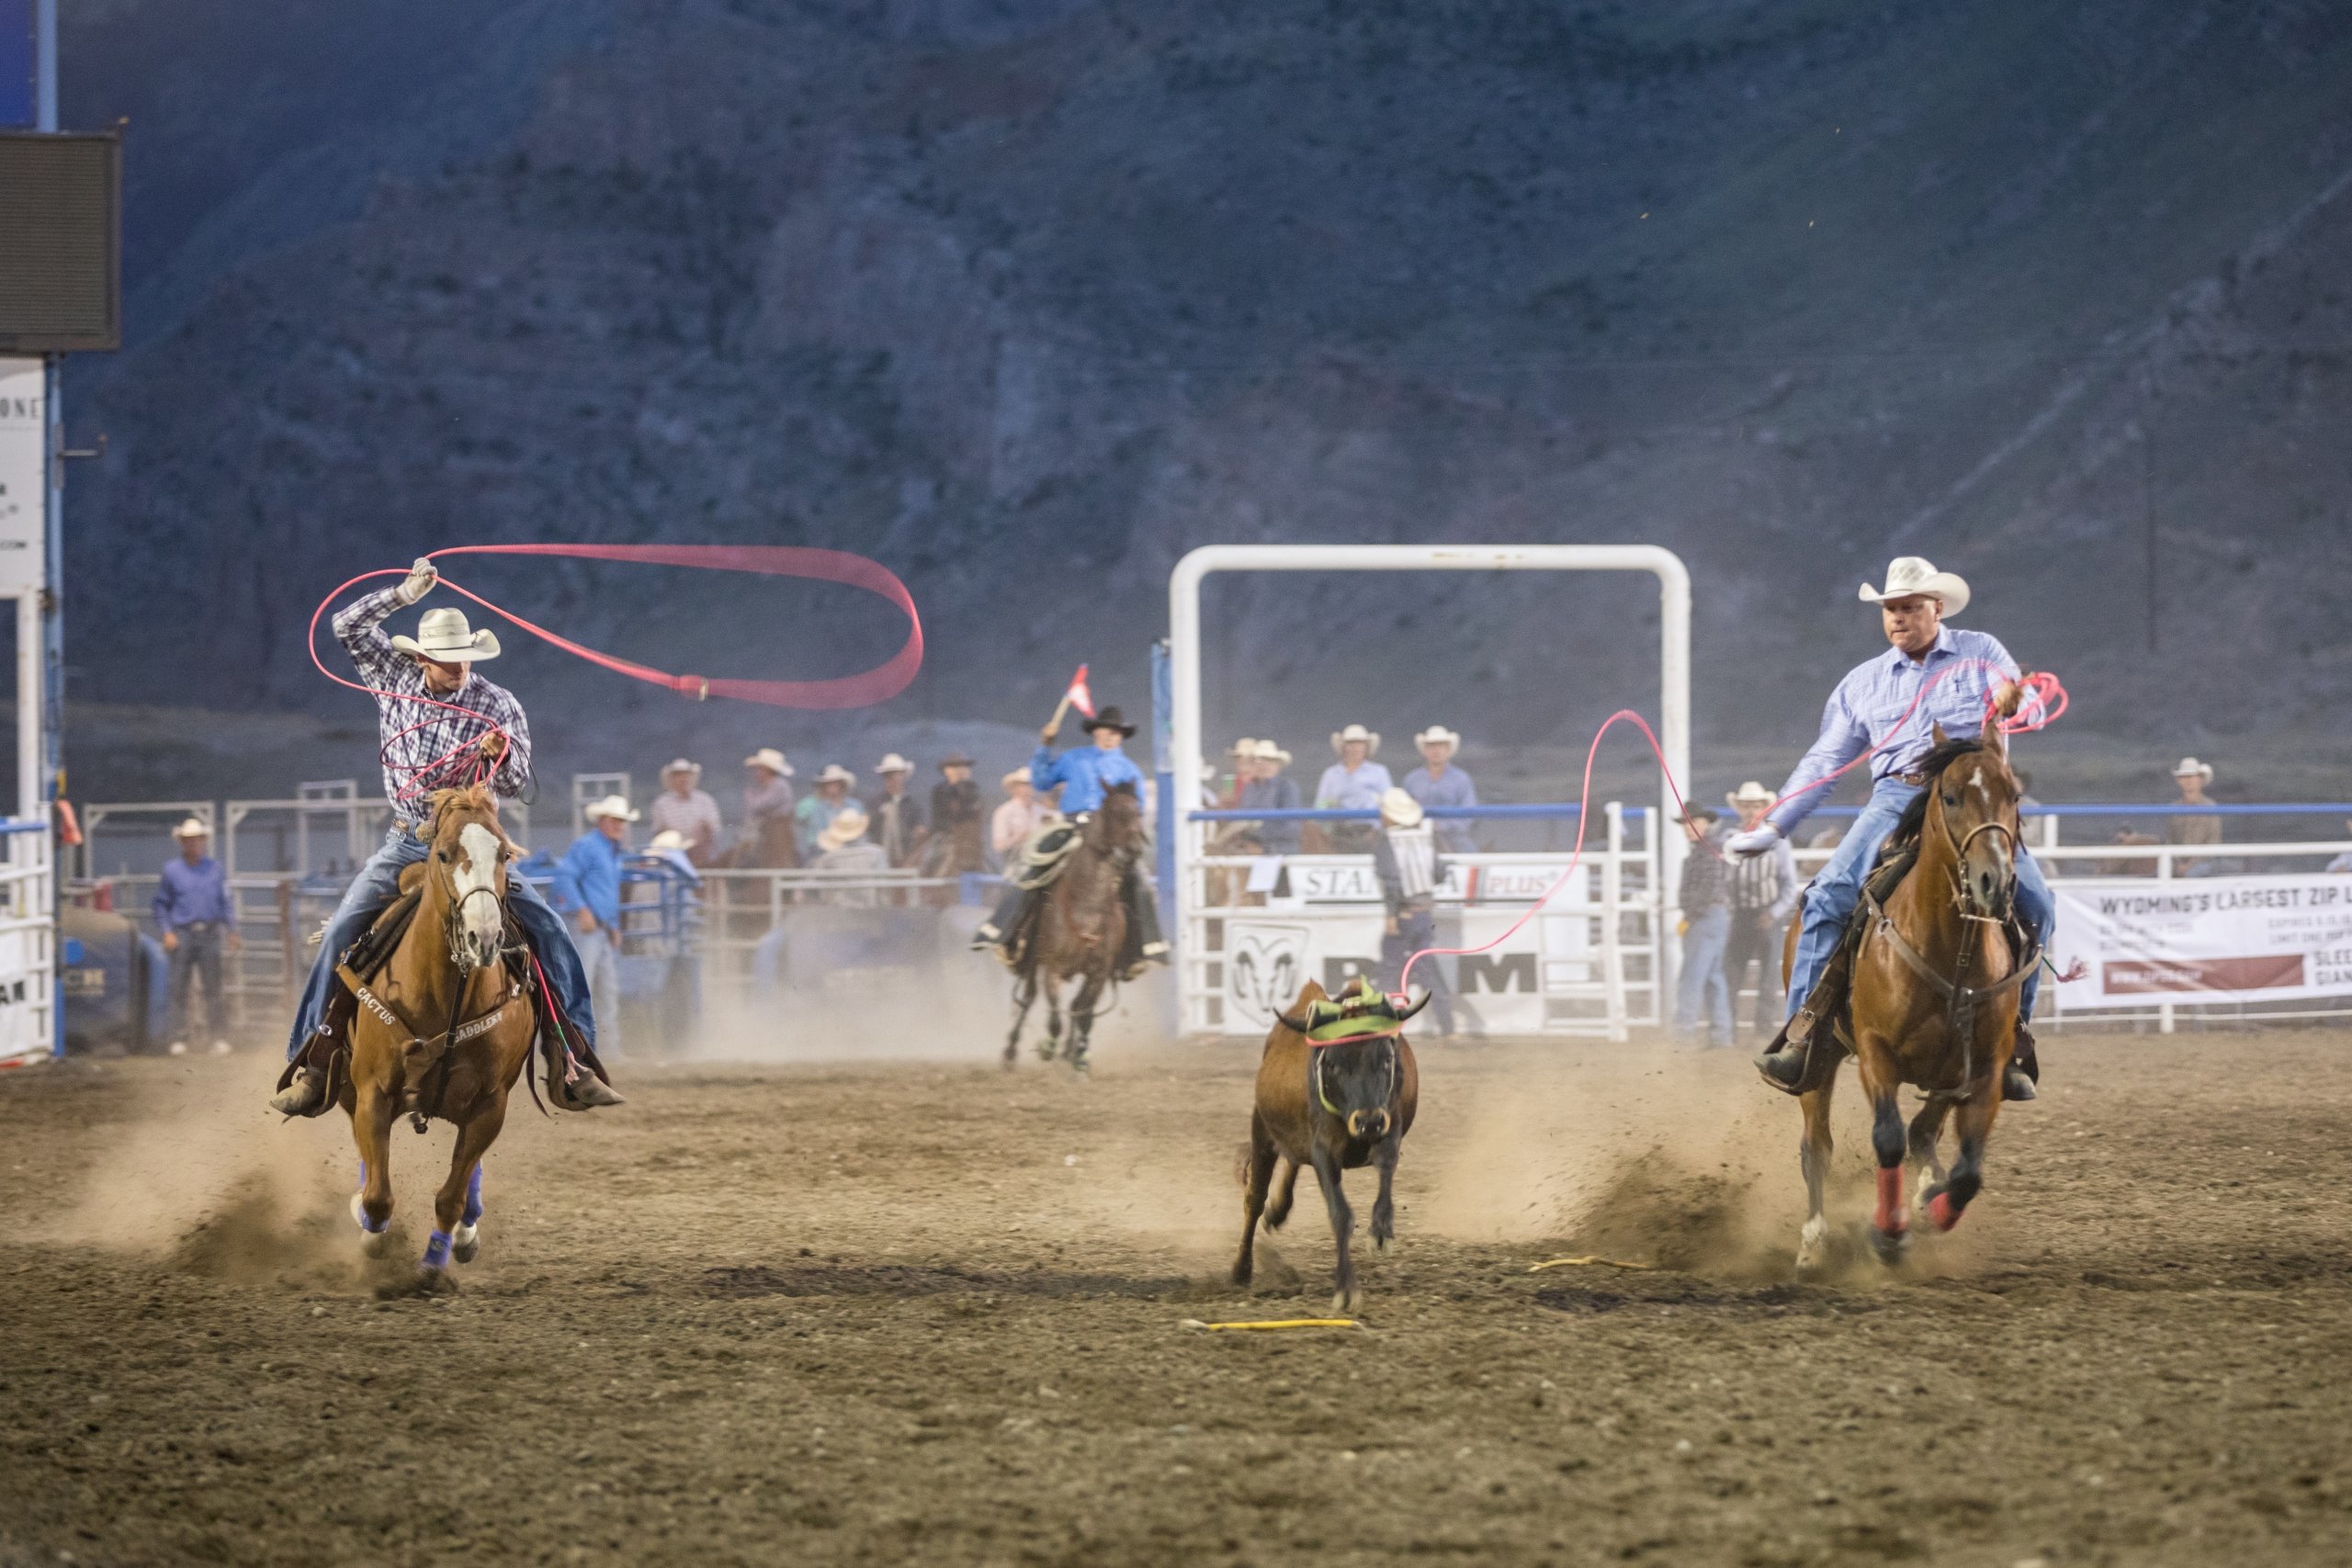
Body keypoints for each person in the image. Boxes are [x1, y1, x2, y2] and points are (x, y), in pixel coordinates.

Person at [271, 558, 618, 1115]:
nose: (457, 665)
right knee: (341, 933)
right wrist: (405, 594)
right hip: (409, 839)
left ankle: (572, 1058)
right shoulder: (393, 679)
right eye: (446, 657)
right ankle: (312, 1060)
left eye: (464, 656)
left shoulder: (498, 704)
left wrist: (498, 755)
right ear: (422, 657)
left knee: (550, 930)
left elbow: (519, 781)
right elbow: (345, 628)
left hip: (475, 845)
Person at [1732, 556, 2050, 1101]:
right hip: (1897, 794)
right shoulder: (1863, 684)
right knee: (1828, 895)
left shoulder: (1982, 652)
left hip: (1969, 796)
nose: (1897, 618)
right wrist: (1775, 826)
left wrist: (2016, 704)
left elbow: (2034, 708)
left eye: (1908, 608)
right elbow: (1824, 761)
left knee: (2037, 902)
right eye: (1890, 609)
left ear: (1936, 608)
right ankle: (1801, 1036)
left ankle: (2012, 1035)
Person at [973, 705, 1168, 976]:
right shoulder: (1074, 759)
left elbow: (1138, 809)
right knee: (1031, 871)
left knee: (1139, 884)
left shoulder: (1129, 771)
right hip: (1071, 827)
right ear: (1095, 732)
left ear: (1121, 736)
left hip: (1110, 836)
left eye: (1114, 732)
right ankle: (1001, 933)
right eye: (1104, 730)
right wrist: (1045, 746)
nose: (1109, 735)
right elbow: (1041, 781)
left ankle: (1144, 948)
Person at [550, 795, 637, 1060]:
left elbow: (604, 892)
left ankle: (607, 1051)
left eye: (622, 821)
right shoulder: (589, 846)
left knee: (607, 991)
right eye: (614, 820)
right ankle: (574, 1051)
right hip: (587, 927)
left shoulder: (610, 850)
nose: (619, 825)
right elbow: (565, 876)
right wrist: (583, 909)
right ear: (601, 821)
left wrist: (612, 925)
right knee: (581, 988)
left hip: (600, 929)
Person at [1373, 787, 1454, 1037]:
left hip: (1403, 912)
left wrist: (1390, 915)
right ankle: (1448, 1027)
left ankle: (1380, 1026)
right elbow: (1440, 872)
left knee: (1390, 967)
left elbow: (1391, 880)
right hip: (1424, 913)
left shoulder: (1387, 840)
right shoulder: (1425, 836)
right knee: (1427, 968)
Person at [1720, 782, 1799, 1040]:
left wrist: (1773, 913)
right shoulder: (1730, 839)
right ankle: (1727, 1030)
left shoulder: (1778, 842)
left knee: (1768, 978)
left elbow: (1789, 884)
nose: (1750, 810)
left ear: (1764, 808)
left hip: (1768, 915)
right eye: (1746, 806)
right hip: (1740, 914)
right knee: (1732, 973)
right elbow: (1723, 878)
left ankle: (1763, 1033)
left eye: (1755, 805)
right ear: (1739, 808)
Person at [154, 817, 238, 1055]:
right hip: (183, 933)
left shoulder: (215, 869)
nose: (194, 844)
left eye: (197, 840)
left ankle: (218, 1037)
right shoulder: (172, 871)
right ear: (182, 842)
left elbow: (225, 902)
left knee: (213, 987)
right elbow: (161, 904)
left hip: (210, 932)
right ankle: (177, 1038)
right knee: (178, 987)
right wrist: (167, 931)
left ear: (204, 841)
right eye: (189, 840)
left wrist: (231, 929)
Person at [1672, 806, 1733, 1046]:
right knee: (1713, 977)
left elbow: (1707, 889)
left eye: (1692, 822)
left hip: (1704, 917)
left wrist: (1690, 914)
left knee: (1692, 977)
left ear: (1705, 823)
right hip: (1714, 916)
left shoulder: (1706, 851)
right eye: (1685, 823)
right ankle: (1721, 1036)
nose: (1688, 828)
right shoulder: (1712, 849)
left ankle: (1683, 1033)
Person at [1402, 726, 1479, 854]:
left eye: (1441, 746)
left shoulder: (1461, 779)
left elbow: (1468, 814)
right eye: (1432, 746)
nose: (1436, 750)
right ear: (1425, 750)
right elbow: (1403, 811)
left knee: (1470, 856)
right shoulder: (1411, 779)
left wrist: (1441, 826)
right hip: (1417, 837)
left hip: (1453, 837)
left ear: (1448, 750)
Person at [1316, 724, 1393, 852]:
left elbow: (1389, 804)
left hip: (1371, 832)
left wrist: (1377, 829)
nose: (1355, 748)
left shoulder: (1379, 772)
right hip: (1339, 833)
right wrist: (1326, 830)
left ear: (1366, 747)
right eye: (1351, 743)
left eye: (1359, 743)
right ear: (1344, 747)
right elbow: (1321, 804)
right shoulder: (1331, 774)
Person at [923, 753, 987, 881]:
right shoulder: (940, 790)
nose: (960, 770)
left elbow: (976, 810)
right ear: (947, 771)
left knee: (984, 859)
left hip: (968, 835)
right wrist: (952, 830)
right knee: (931, 854)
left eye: (963, 767)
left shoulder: (973, 789)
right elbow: (938, 817)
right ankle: (928, 878)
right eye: (955, 767)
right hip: (946, 833)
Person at [650, 759, 724, 867]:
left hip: (702, 856)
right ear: (672, 779)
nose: (683, 779)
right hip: (672, 856)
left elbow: (714, 829)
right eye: (679, 775)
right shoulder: (661, 804)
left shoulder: (705, 800)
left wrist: (702, 831)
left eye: (686, 774)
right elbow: (658, 831)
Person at [812, 806, 888, 905]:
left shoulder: (829, 858)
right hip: (870, 910)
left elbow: (814, 882)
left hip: (837, 911)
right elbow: (884, 883)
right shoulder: (877, 853)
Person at [1239, 739, 1303, 855]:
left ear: (1278, 765)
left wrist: (1258, 837)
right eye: (1259, 761)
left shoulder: (1287, 787)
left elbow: (1291, 828)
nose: (1264, 764)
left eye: (1269, 760)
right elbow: (1242, 819)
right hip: (1249, 848)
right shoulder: (1249, 788)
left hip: (1279, 850)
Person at [739, 748, 798, 869]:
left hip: (777, 833)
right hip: (763, 832)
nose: (757, 772)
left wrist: (749, 795)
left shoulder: (780, 785)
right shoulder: (762, 787)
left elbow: (757, 806)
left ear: (767, 770)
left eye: (759, 769)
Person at [867, 753, 929, 868]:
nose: (894, 780)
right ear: (885, 779)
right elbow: (869, 829)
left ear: (903, 776)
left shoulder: (913, 805)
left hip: (907, 857)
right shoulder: (875, 805)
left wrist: (919, 830)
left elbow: (921, 827)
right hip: (880, 859)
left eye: (897, 775)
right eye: (889, 776)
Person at [2167, 757, 2221, 874]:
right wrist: (2178, 864)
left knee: (2192, 875)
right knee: (2160, 873)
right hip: (2177, 861)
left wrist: (2190, 865)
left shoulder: (2210, 807)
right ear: (2179, 781)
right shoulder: (2174, 808)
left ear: (2200, 779)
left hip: (2204, 862)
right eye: (2184, 777)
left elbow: (2212, 842)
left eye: (2191, 776)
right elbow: (2170, 840)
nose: (2188, 780)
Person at [795, 764, 859, 860]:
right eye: (829, 783)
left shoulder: (855, 805)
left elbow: (860, 830)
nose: (832, 786)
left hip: (852, 851)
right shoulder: (819, 808)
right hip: (825, 852)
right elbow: (815, 836)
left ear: (842, 785)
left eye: (835, 783)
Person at [990, 767, 1047, 869]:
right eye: (1024, 785)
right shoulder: (1004, 812)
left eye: (1031, 785)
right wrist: (1018, 838)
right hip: (1014, 865)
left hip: (1040, 863)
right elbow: (998, 846)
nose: (1028, 789)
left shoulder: (1042, 811)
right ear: (1015, 788)